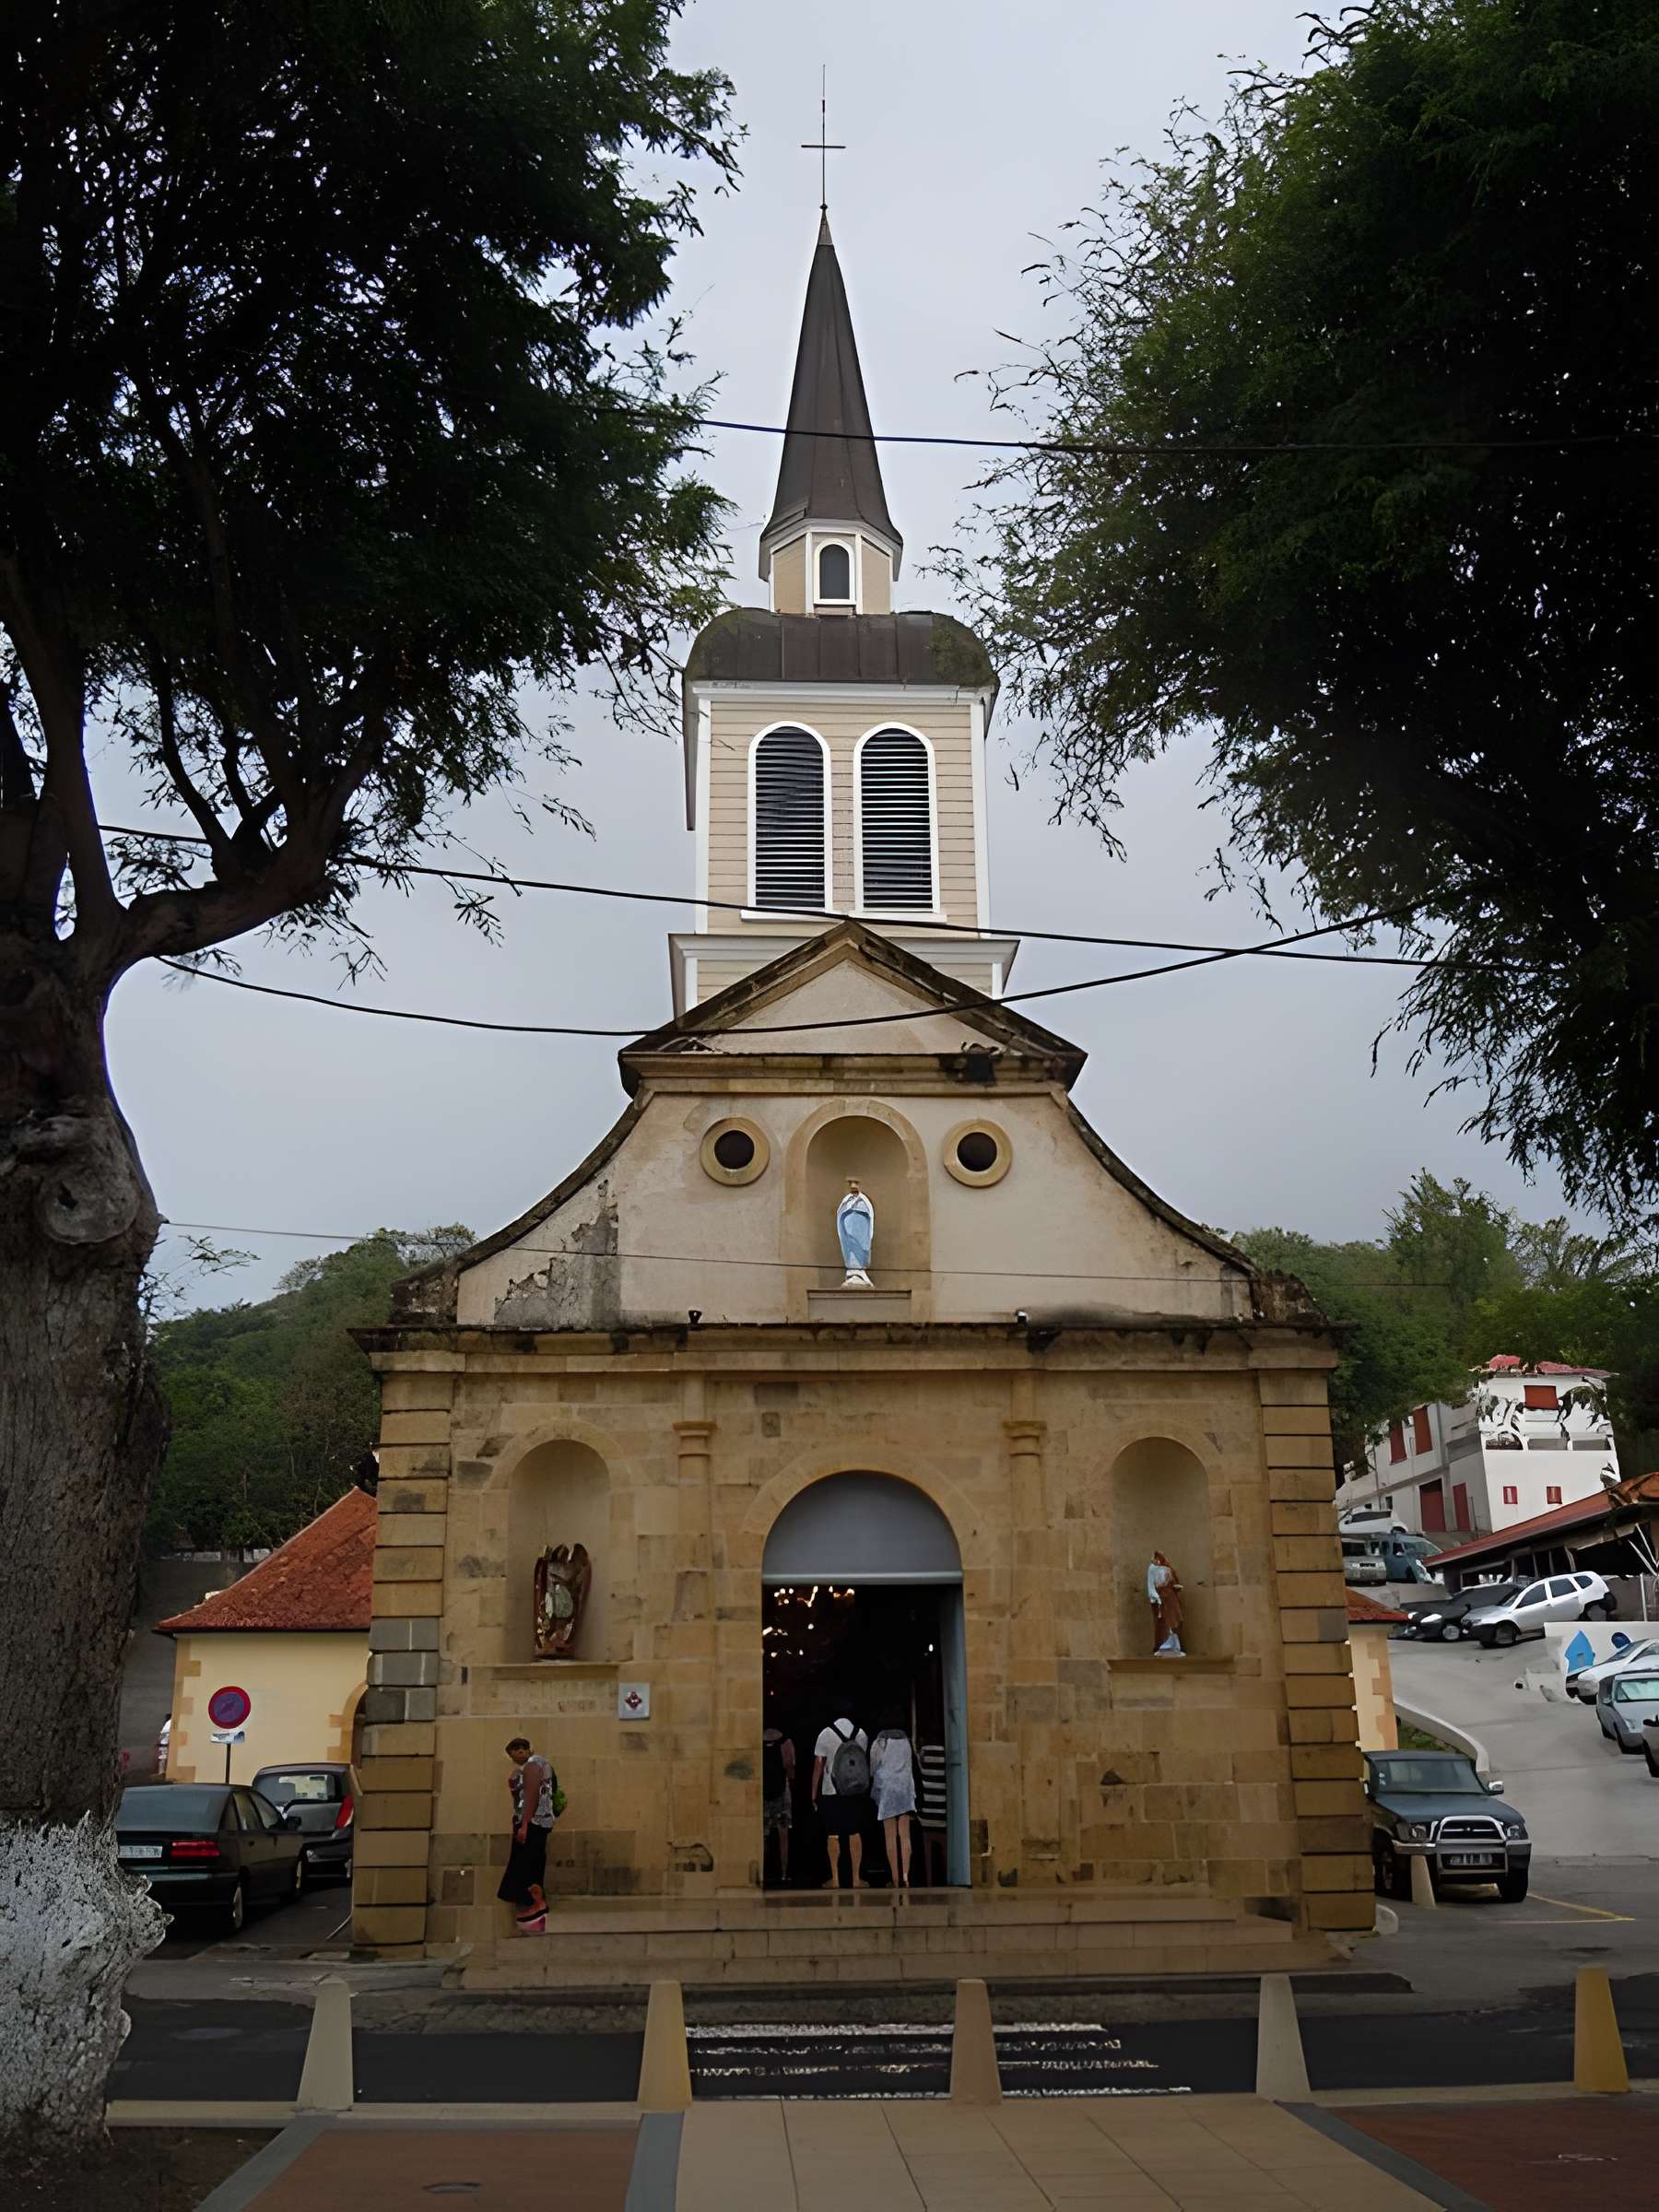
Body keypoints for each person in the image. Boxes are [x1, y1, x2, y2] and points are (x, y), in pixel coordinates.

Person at [497, 1735, 557, 1934]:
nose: (520, 1751)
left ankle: (532, 1907)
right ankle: (533, 1909)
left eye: (523, 1748)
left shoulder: (533, 1765)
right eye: (516, 1748)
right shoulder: (533, 1768)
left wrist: (524, 1825)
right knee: (531, 1864)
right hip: (538, 1822)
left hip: (531, 1823)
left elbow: (532, 1796)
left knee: (525, 1866)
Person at [812, 1713, 869, 1888]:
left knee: (833, 1833)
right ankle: (856, 1878)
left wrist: (813, 1794)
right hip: (854, 1790)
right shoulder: (861, 1734)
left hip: (831, 1790)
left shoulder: (825, 1734)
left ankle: (835, 1878)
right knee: (854, 1832)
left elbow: (818, 1766)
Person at [869, 1708, 917, 1890]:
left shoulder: (880, 1741)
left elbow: (873, 1768)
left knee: (890, 1837)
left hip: (887, 1792)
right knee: (905, 1836)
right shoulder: (906, 1741)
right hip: (904, 1791)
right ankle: (906, 1876)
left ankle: (895, 1879)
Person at [762, 1724, 796, 1886]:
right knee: (783, 1836)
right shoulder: (785, 1742)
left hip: (762, 1794)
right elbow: (790, 1769)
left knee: (763, 1836)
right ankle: (783, 1873)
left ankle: (762, 1871)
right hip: (782, 1793)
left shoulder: (758, 1740)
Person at [915, 1738, 947, 1887]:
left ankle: (928, 1881)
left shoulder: (922, 1754)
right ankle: (948, 1877)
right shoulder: (947, 1753)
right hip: (943, 1813)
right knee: (946, 1850)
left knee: (926, 1850)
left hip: (926, 1814)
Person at [1147, 1552, 1183, 1655]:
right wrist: (1155, 1597)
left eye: (1155, 1558)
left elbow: (1173, 1582)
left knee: (1174, 1620)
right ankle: (1162, 1645)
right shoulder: (1152, 1568)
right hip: (1161, 1598)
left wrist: (1174, 1587)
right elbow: (1151, 1584)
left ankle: (1175, 1645)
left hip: (1170, 1597)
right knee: (1162, 1621)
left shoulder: (1168, 1569)